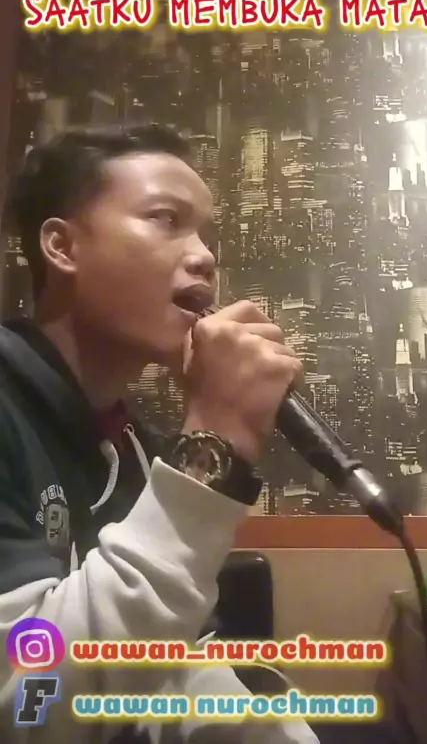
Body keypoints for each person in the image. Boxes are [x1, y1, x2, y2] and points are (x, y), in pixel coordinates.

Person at [0, 124, 318, 744]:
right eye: (165, 220)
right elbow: (26, 705)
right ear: (62, 247)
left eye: (206, 236)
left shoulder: (135, 447)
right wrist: (216, 436)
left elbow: (178, 659)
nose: (204, 257)